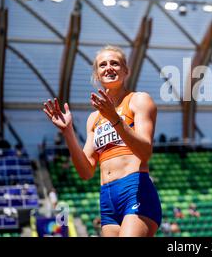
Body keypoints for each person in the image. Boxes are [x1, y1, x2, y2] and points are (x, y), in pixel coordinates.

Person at [42, 45, 161, 237]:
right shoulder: (94, 118)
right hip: (107, 198)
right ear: (97, 74)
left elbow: (145, 152)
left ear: (126, 70)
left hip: (135, 189)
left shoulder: (139, 100)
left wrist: (115, 118)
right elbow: (86, 172)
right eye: (102, 65)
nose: (109, 68)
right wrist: (68, 132)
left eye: (115, 63)